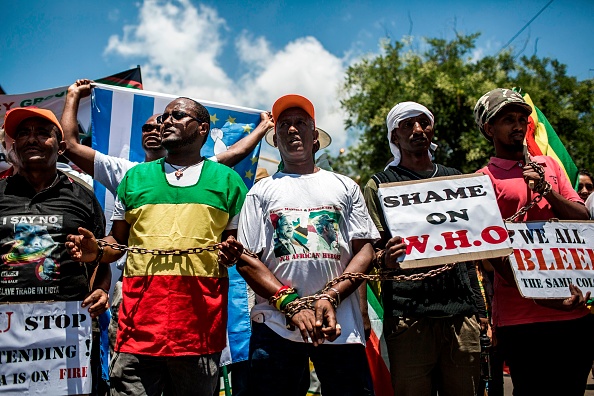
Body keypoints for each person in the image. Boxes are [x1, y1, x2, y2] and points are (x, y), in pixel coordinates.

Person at [60, 79, 273, 359]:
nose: (162, 124)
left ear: (202, 130)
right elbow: (71, 147)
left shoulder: (219, 176)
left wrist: (262, 128)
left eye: (175, 116)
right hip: (138, 320)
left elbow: (236, 155)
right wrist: (97, 249)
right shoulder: (130, 175)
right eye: (155, 122)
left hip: (196, 326)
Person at [222, 94, 379, 396]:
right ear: (276, 139)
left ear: (315, 135)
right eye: (284, 126)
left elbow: (365, 249)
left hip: (339, 326)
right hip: (276, 327)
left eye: (300, 123)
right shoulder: (261, 192)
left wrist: (332, 297)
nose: (293, 130)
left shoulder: (345, 186)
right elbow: (246, 259)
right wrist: (289, 304)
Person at [474, 88, 594, 396]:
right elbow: (495, 253)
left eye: (522, 119)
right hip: (522, 317)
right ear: (489, 129)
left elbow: (582, 218)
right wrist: (543, 296)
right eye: (507, 120)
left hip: (574, 310)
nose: (518, 125)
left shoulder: (549, 167)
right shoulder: (482, 180)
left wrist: (546, 189)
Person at [363, 101, 487, 396]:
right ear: (394, 137)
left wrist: (479, 311)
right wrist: (386, 259)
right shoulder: (379, 186)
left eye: (423, 123)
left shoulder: (454, 178)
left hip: (460, 317)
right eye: (407, 125)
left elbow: (467, 256)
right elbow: (371, 252)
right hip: (408, 318)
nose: (418, 130)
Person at [0, 107, 110, 393]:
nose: (31, 139)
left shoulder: (83, 196)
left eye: (42, 133)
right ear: (13, 146)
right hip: (5, 333)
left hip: (66, 333)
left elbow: (99, 254)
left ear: (61, 147)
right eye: (23, 133)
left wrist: (101, 289)